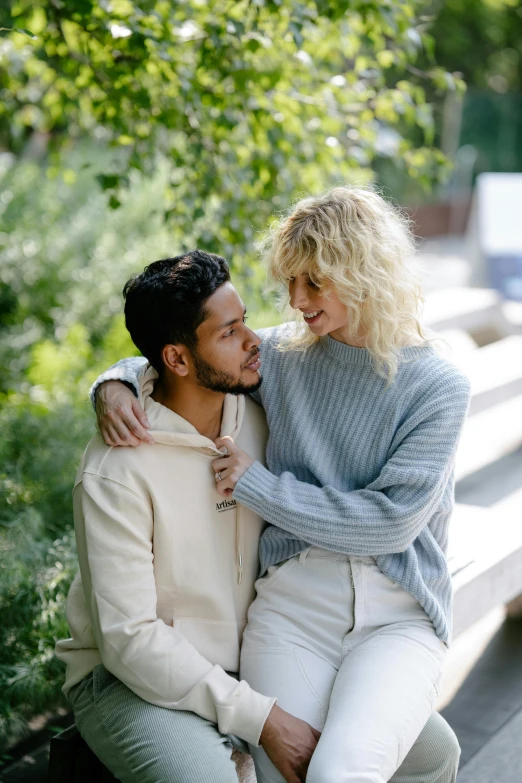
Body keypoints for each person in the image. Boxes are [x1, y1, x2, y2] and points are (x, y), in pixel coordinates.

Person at [91, 189, 469, 783]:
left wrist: (259, 487)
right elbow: (181, 353)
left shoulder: (437, 385)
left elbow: (392, 523)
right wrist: (112, 382)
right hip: (294, 605)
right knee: (282, 774)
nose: (295, 301)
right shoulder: (285, 357)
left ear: (362, 272)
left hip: (399, 610)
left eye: (313, 283)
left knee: (340, 772)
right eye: (290, 281)